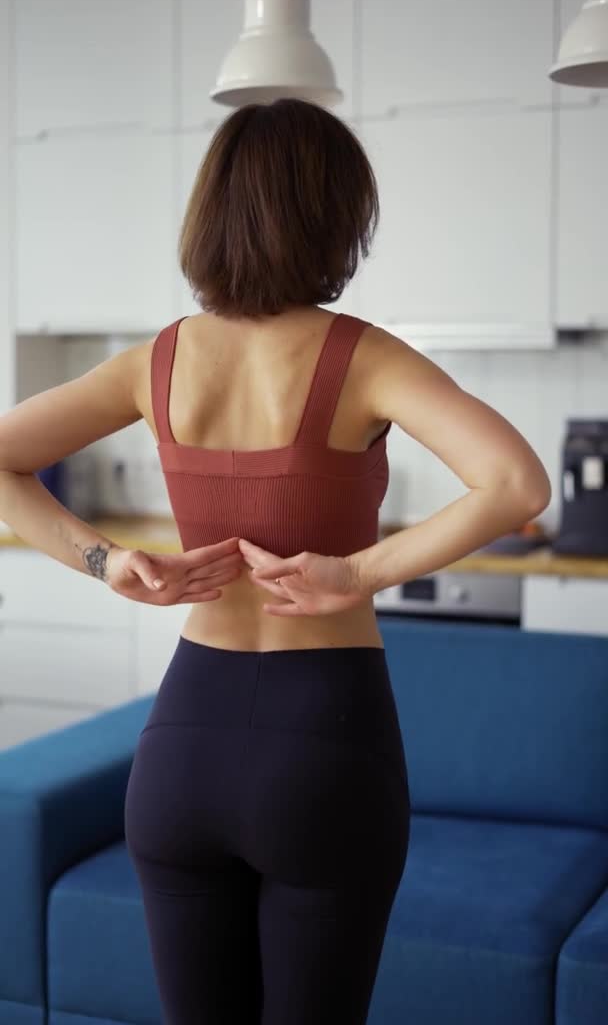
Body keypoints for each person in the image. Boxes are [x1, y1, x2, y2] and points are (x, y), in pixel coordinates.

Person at [0, 97, 551, 1025]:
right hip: (325, 747)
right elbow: (518, 485)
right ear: (337, 219)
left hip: (178, 758)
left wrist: (106, 562)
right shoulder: (366, 359)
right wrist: (360, 572)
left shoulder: (155, 363)